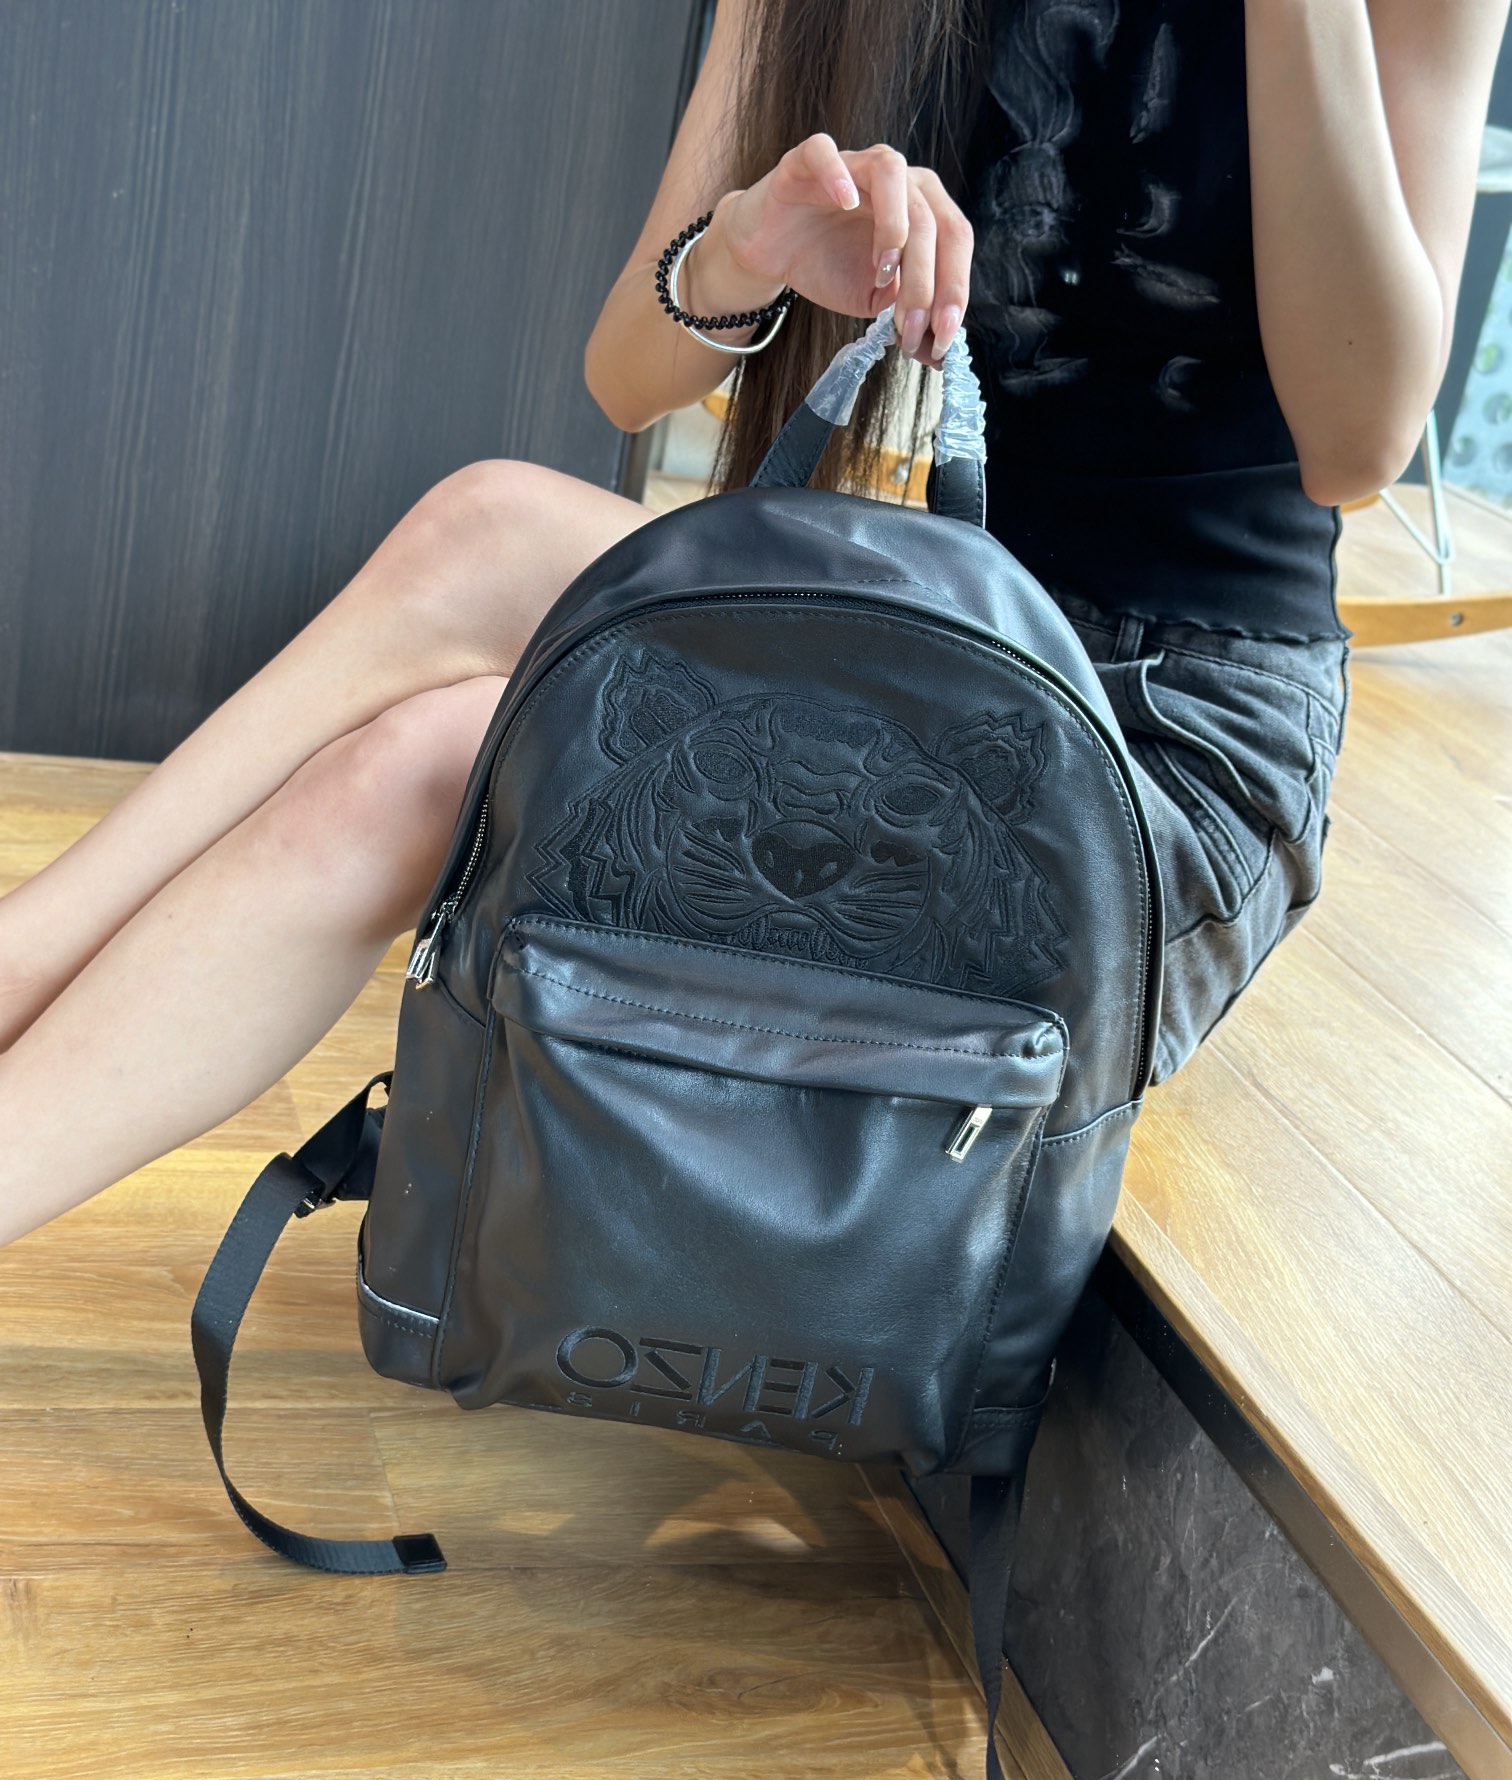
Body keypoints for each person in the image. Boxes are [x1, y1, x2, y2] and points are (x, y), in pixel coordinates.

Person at [0, 0, 1502, 1253]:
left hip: (1153, 743)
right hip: (897, 637)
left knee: (434, 758)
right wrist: (752, 249)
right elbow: (626, 372)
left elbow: (1359, 442)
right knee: (482, 527)